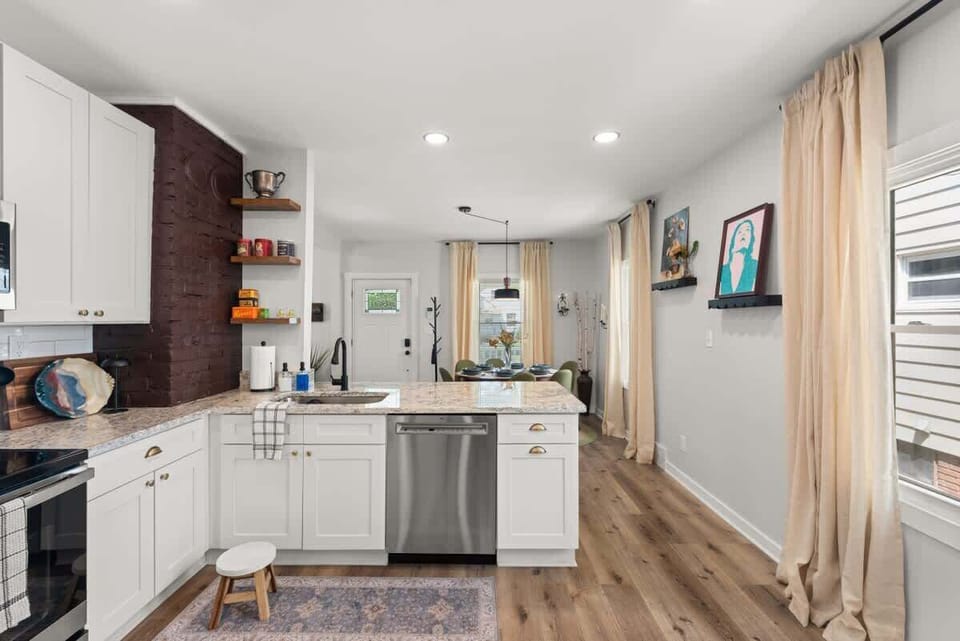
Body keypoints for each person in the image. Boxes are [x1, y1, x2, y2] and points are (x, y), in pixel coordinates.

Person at [719, 219, 758, 295]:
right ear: (734, 240)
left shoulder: (755, 265)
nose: (743, 233)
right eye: (739, 231)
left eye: (747, 230)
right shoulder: (723, 271)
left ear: (751, 240)